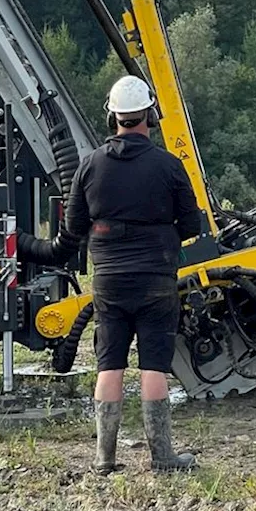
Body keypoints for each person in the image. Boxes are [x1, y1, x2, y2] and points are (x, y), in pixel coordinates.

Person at [51, 75, 203, 474]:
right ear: (150, 115)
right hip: (156, 278)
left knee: (109, 364)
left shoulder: (89, 165)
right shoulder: (169, 166)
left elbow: (74, 226)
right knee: (154, 364)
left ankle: (104, 459)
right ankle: (163, 458)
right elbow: (192, 226)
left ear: (112, 118)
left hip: (109, 281)